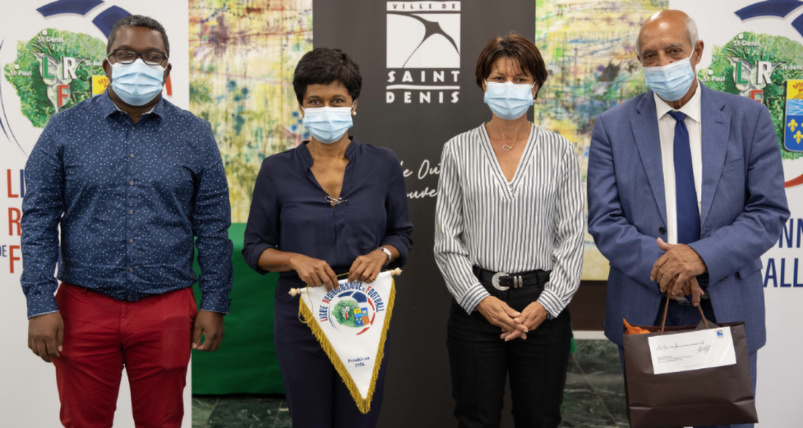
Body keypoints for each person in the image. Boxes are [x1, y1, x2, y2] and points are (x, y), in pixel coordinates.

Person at [20, 15, 232, 427]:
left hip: (167, 308)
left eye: (152, 57)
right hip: (83, 307)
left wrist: (215, 302)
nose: (138, 64)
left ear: (167, 70)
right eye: (125, 54)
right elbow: (39, 219)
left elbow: (212, 225)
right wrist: (39, 302)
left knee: (163, 420)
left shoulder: (195, 134)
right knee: (83, 421)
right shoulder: (65, 128)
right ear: (106, 65)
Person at [587, 10, 789, 428]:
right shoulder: (612, 127)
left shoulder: (748, 119)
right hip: (644, 312)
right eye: (650, 56)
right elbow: (605, 221)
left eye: (673, 51)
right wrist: (666, 268)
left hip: (726, 308)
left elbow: (767, 212)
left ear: (697, 52)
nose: (662, 64)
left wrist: (699, 258)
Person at [242, 47, 413, 428]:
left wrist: (381, 254)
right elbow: (254, 248)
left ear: (354, 104)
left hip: (365, 317)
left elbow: (402, 235)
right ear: (301, 107)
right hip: (301, 320)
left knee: (360, 420)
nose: (326, 108)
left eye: (337, 100)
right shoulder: (276, 170)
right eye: (314, 101)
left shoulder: (383, 163)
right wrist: (293, 260)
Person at [434, 33, 584, 428]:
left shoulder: (560, 151)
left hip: (542, 304)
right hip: (476, 305)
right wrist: (481, 300)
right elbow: (447, 242)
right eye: (499, 78)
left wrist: (546, 305)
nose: (509, 88)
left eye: (521, 79)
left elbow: (571, 239)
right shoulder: (457, 150)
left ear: (536, 86)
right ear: (483, 83)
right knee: (475, 416)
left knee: (540, 416)